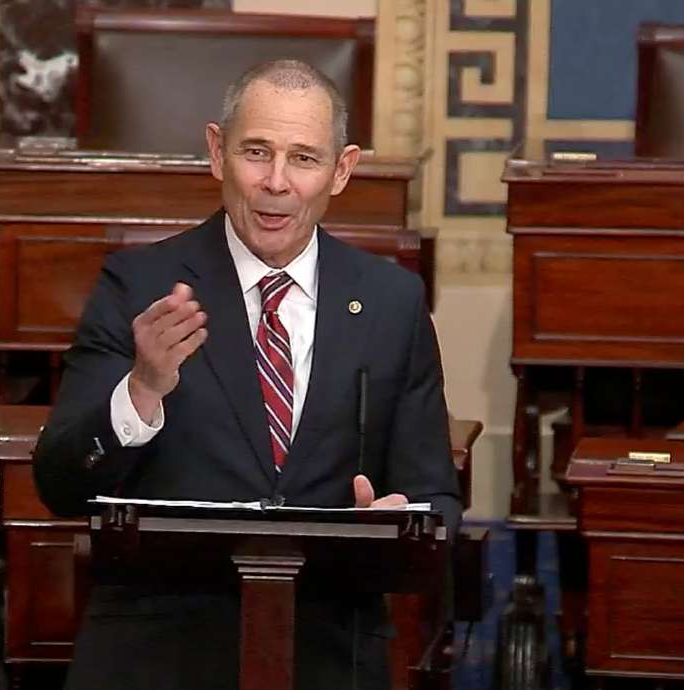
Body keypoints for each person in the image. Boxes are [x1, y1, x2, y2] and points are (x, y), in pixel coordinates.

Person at [32, 59, 460, 690]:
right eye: (256, 152)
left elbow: (438, 502)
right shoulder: (140, 288)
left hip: (328, 648)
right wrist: (141, 391)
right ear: (216, 153)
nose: (276, 183)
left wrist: (401, 524)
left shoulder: (392, 304)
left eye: (304, 159)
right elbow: (60, 485)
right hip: (160, 649)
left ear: (342, 170)